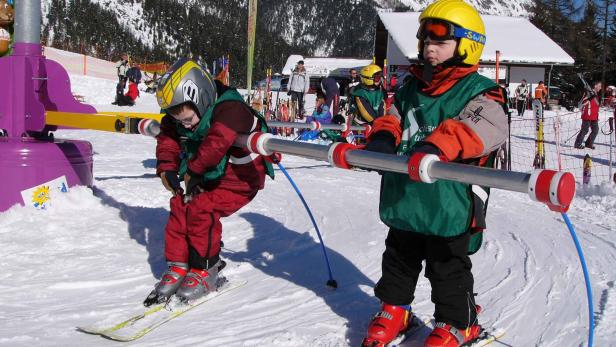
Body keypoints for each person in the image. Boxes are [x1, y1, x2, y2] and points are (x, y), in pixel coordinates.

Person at [360, 1, 508, 346]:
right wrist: (382, 136)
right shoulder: (412, 86)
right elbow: (394, 116)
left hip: (449, 200)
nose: (429, 48)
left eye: (439, 42)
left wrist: (435, 147)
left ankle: (459, 321)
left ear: (467, 45)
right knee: (398, 256)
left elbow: (484, 127)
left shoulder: (481, 92)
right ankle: (394, 309)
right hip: (408, 195)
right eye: (425, 40)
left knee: (447, 265)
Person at [144, 58, 274, 305]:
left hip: (241, 179)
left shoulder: (231, 110)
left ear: (200, 97)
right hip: (211, 174)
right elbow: (168, 138)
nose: (184, 124)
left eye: (187, 118)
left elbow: (216, 145)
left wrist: (192, 171)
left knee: (202, 209)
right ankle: (180, 263)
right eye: (179, 119)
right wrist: (167, 168)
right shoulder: (182, 115)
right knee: (181, 204)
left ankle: (206, 268)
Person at [574, 81, 602, 150]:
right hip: (587, 115)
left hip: (594, 116)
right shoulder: (588, 93)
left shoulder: (596, 94)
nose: (600, 88)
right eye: (599, 86)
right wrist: (589, 98)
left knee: (595, 130)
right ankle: (577, 144)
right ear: (595, 86)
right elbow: (582, 103)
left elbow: (596, 104)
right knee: (584, 130)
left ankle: (588, 143)